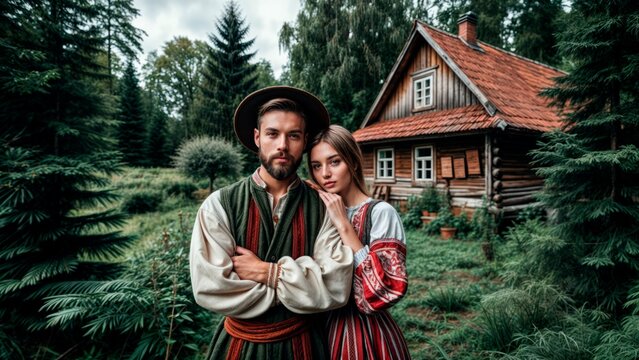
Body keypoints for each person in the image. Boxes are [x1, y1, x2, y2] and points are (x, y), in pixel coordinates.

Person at [189, 87, 354, 360]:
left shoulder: (324, 207)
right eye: (272, 133)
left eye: (294, 135)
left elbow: (335, 286)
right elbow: (212, 287)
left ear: (304, 141)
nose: (282, 145)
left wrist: (268, 273)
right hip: (238, 348)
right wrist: (302, 286)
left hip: (304, 348)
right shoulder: (219, 205)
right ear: (257, 138)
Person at [308, 125, 410, 359]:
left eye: (334, 162)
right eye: (317, 166)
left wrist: (344, 225)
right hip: (320, 330)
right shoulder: (317, 213)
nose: (325, 174)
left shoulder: (381, 213)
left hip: (366, 334)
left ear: (353, 163)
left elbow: (385, 291)